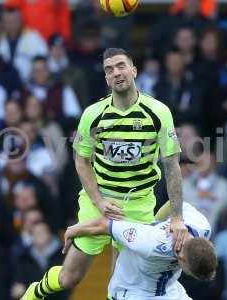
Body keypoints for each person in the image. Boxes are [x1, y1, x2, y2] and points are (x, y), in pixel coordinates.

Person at [21, 47, 188, 299]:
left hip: (138, 205)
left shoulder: (159, 112)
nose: (116, 73)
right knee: (69, 278)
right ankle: (36, 291)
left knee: (124, 284)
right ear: (106, 79)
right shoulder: (93, 115)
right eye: (109, 70)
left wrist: (176, 217)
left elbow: (172, 165)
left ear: (133, 70)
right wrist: (99, 201)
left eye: (121, 66)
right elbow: (81, 161)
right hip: (98, 201)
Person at [60, 202, 216, 300]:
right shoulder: (149, 242)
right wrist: (73, 230)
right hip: (134, 293)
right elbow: (104, 225)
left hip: (170, 291)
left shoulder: (202, 226)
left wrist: (155, 221)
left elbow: (177, 203)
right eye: (191, 272)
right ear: (182, 258)